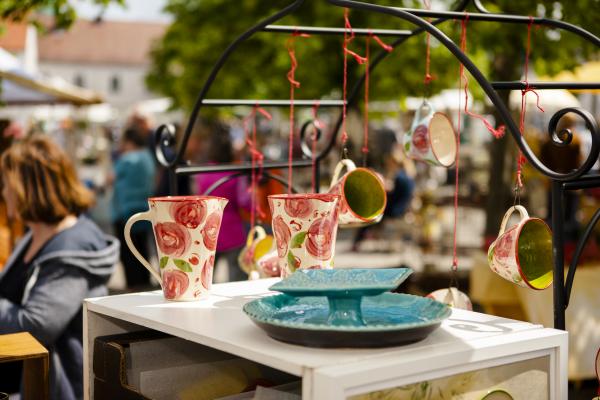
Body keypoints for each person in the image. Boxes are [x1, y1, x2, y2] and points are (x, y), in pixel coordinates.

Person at [0, 135, 119, 400]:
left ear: (29, 188)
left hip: (55, 387)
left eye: (8, 184)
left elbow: (36, 325)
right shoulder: (36, 232)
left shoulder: (74, 243)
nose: (4, 192)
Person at [196, 124, 250, 281]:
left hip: (210, 230)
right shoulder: (235, 173)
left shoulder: (203, 172)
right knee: (237, 282)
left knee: (205, 278)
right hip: (233, 232)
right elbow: (245, 202)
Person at [111, 127, 156, 289]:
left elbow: (110, 178)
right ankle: (145, 282)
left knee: (129, 253)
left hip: (125, 211)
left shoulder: (127, 159)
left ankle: (134, 286)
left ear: (129, 141)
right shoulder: (148, 157)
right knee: (143, 249)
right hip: (145, 208)